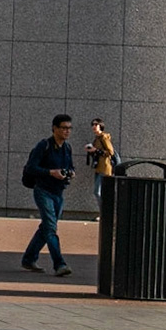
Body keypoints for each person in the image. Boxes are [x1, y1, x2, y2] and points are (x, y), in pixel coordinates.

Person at [21, 113, 76, 277]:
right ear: (54, 128)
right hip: (43, 190)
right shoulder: (43, 146)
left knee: (46, 227)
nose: (67, 131)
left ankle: (29, 259)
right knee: (51, 228)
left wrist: (70, 173)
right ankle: (59, 264)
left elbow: (70, 166)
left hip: (58, 192)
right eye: (64, 128)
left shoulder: (67, 148)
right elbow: (31, 168)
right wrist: (50, 172)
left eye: (69, 128)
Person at [86, 118, 116, 201]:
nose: (94, 126)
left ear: (101, 126)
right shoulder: (97, 138)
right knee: (99, 191)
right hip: (98, 167)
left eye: (96, 125)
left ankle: (104, 212)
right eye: (93, 125)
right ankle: (103, 211)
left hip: (105, 168)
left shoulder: (103, 138)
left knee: (97, 192)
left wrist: (96, 150)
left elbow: (111, 152)